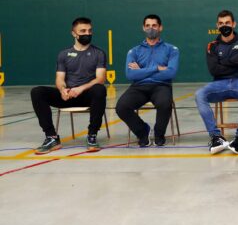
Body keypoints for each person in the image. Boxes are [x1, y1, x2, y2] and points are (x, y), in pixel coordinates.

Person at [30, 17, 107, 154]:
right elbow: (59, 78)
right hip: (67, 96)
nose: (87, 33)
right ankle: (51, 137)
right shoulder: (63, 54)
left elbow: (100, 78)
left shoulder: (99, 53)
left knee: (100, 89)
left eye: (89, 31)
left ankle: (92, 135)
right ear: (74, 33)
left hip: (87, 96)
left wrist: (80, 89)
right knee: (37, 92)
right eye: (83, 31)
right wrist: (62, 89)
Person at [195, 10, 238, 154]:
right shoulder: (212, 45)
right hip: (220, 84)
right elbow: (213, 70)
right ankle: (216, 137)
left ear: (234, 24)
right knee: (199, 94)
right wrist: (234, 62)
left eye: (227, 23)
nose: (224, 26)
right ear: (217, 26)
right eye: (221, 23)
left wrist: (222, 62)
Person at [116, 15, 179, 147]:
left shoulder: (172, 49)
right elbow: (130, 74)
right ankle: (143, 131)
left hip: (161, 86)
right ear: (143, 28)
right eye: (148, 26)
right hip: (139, 87)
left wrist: (141, 71)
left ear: (160, 27)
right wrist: (157, 68)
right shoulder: (134, 51)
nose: (151, 28)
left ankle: (159, 134)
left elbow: (171, 73)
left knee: (164, 103)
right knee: (121, 107)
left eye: (154, 25)